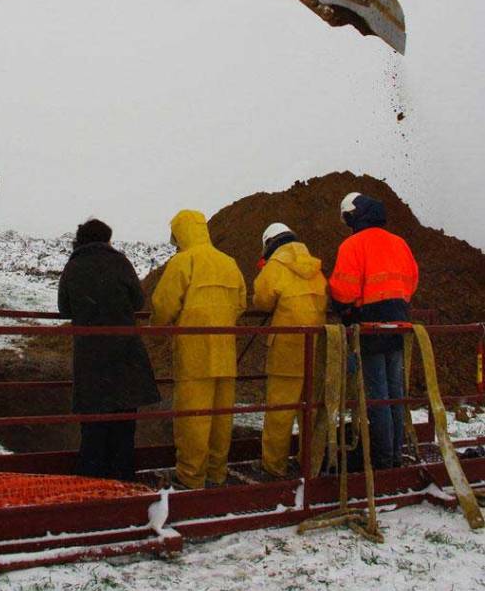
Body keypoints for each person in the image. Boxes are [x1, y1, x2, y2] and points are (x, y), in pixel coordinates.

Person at [58, 218, 160, 481]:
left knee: (93, 427)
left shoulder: (74, 266)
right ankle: (122, 481)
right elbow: (138, 301)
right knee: (124, 425)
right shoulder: (120, 261)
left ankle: (91, 483)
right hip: (125, 354)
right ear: (106, 239)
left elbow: (64, 308)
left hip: (91, 358)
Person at [151, 210, 246, 489]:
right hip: (225, 354)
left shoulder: (184, 261)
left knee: (193, 418)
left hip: (194, 354)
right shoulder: (229, 263)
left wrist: (158, 326)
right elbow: (241, 304)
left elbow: (164, 304)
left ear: (181, 233)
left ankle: (190, 478)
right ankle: (216, 474)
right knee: (220, 418)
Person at [329, 192, 419, 469]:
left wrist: (344, 307)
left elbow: (344, 290)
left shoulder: (353, 245)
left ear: (353, 215)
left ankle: (381, 461)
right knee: (395, 392)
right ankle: (394, 455)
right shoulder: (399, 243)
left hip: (369, 325)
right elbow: (412, 281)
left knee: (377, 394)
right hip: (399, 323)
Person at [252, 222, 328, 478]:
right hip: (315, 349)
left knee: (280, 411)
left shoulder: (275, 266)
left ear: (269, 244)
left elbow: (261, 301)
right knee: (311, 409)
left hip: (287, 349)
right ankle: (310, 462)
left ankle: (273, 467)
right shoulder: (315, 267)